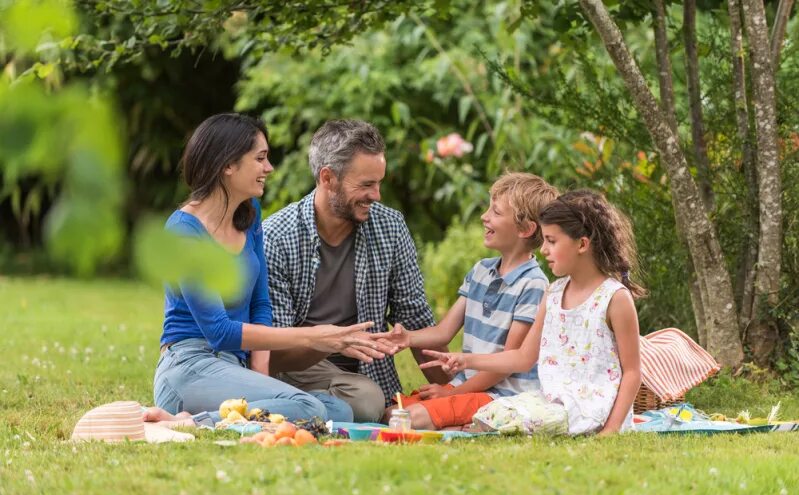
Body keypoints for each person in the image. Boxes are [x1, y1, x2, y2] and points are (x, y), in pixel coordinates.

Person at [149, 113, 394, 428]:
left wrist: (261, 378)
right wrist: (314, 337)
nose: (269, 168)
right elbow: (220, 332)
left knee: (340, 412)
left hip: (234, 365)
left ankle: (225, 417)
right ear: (228, 165)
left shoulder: (249, 216)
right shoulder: (184, 231)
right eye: (260, 158)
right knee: (306, 406)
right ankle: (189, 422)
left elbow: (260, 305)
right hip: (190, 365)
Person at [262, 119, 448, 423]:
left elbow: (414, 317)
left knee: (368, 398)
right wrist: (331, 342)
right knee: (367, 401)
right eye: (365, 185)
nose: (376, 195)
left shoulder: (390, 226)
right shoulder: (276, 237)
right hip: (297, 367)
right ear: (328, 178)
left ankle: (309, 409)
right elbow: (273, 351)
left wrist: (454, 391)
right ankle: (300, 405)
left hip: (364, 374)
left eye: (379, 183)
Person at [421, 189, 644, 436]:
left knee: (511, 420)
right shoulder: (554, 293)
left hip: (592, 407)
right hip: (551, 401)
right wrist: (467, 360)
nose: (544, 250)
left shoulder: (614, 298)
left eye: (552, 241)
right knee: (490, 413)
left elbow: (633, 371)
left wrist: (612, 428)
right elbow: (523, 357)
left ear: (582, 244)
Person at [382, 173, 559, 430]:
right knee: (392, 411)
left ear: (525, 229)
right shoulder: (481, 271)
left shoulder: (533, 284)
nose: (484, 216)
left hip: (501, 398)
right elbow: (443, 332)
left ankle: (466, 424)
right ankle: (458, 423)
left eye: (496, 212)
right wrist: (408, 338)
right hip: (467, 388)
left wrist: (453, 394)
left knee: (408, 419)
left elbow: (506, 365)